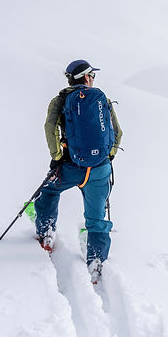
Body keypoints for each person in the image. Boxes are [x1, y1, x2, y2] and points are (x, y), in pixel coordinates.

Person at [35, 59, 123, 283]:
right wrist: (108, 156)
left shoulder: (61, 99)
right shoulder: (102, 99)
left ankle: (46, 232)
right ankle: (96, 262)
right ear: (86, 77)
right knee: (96, 216)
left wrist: (57, 158)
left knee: (49, 192)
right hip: (99, 170)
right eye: (92, 75)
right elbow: (118, 132)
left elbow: (50, 127)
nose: (93, 79)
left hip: (71, 167)